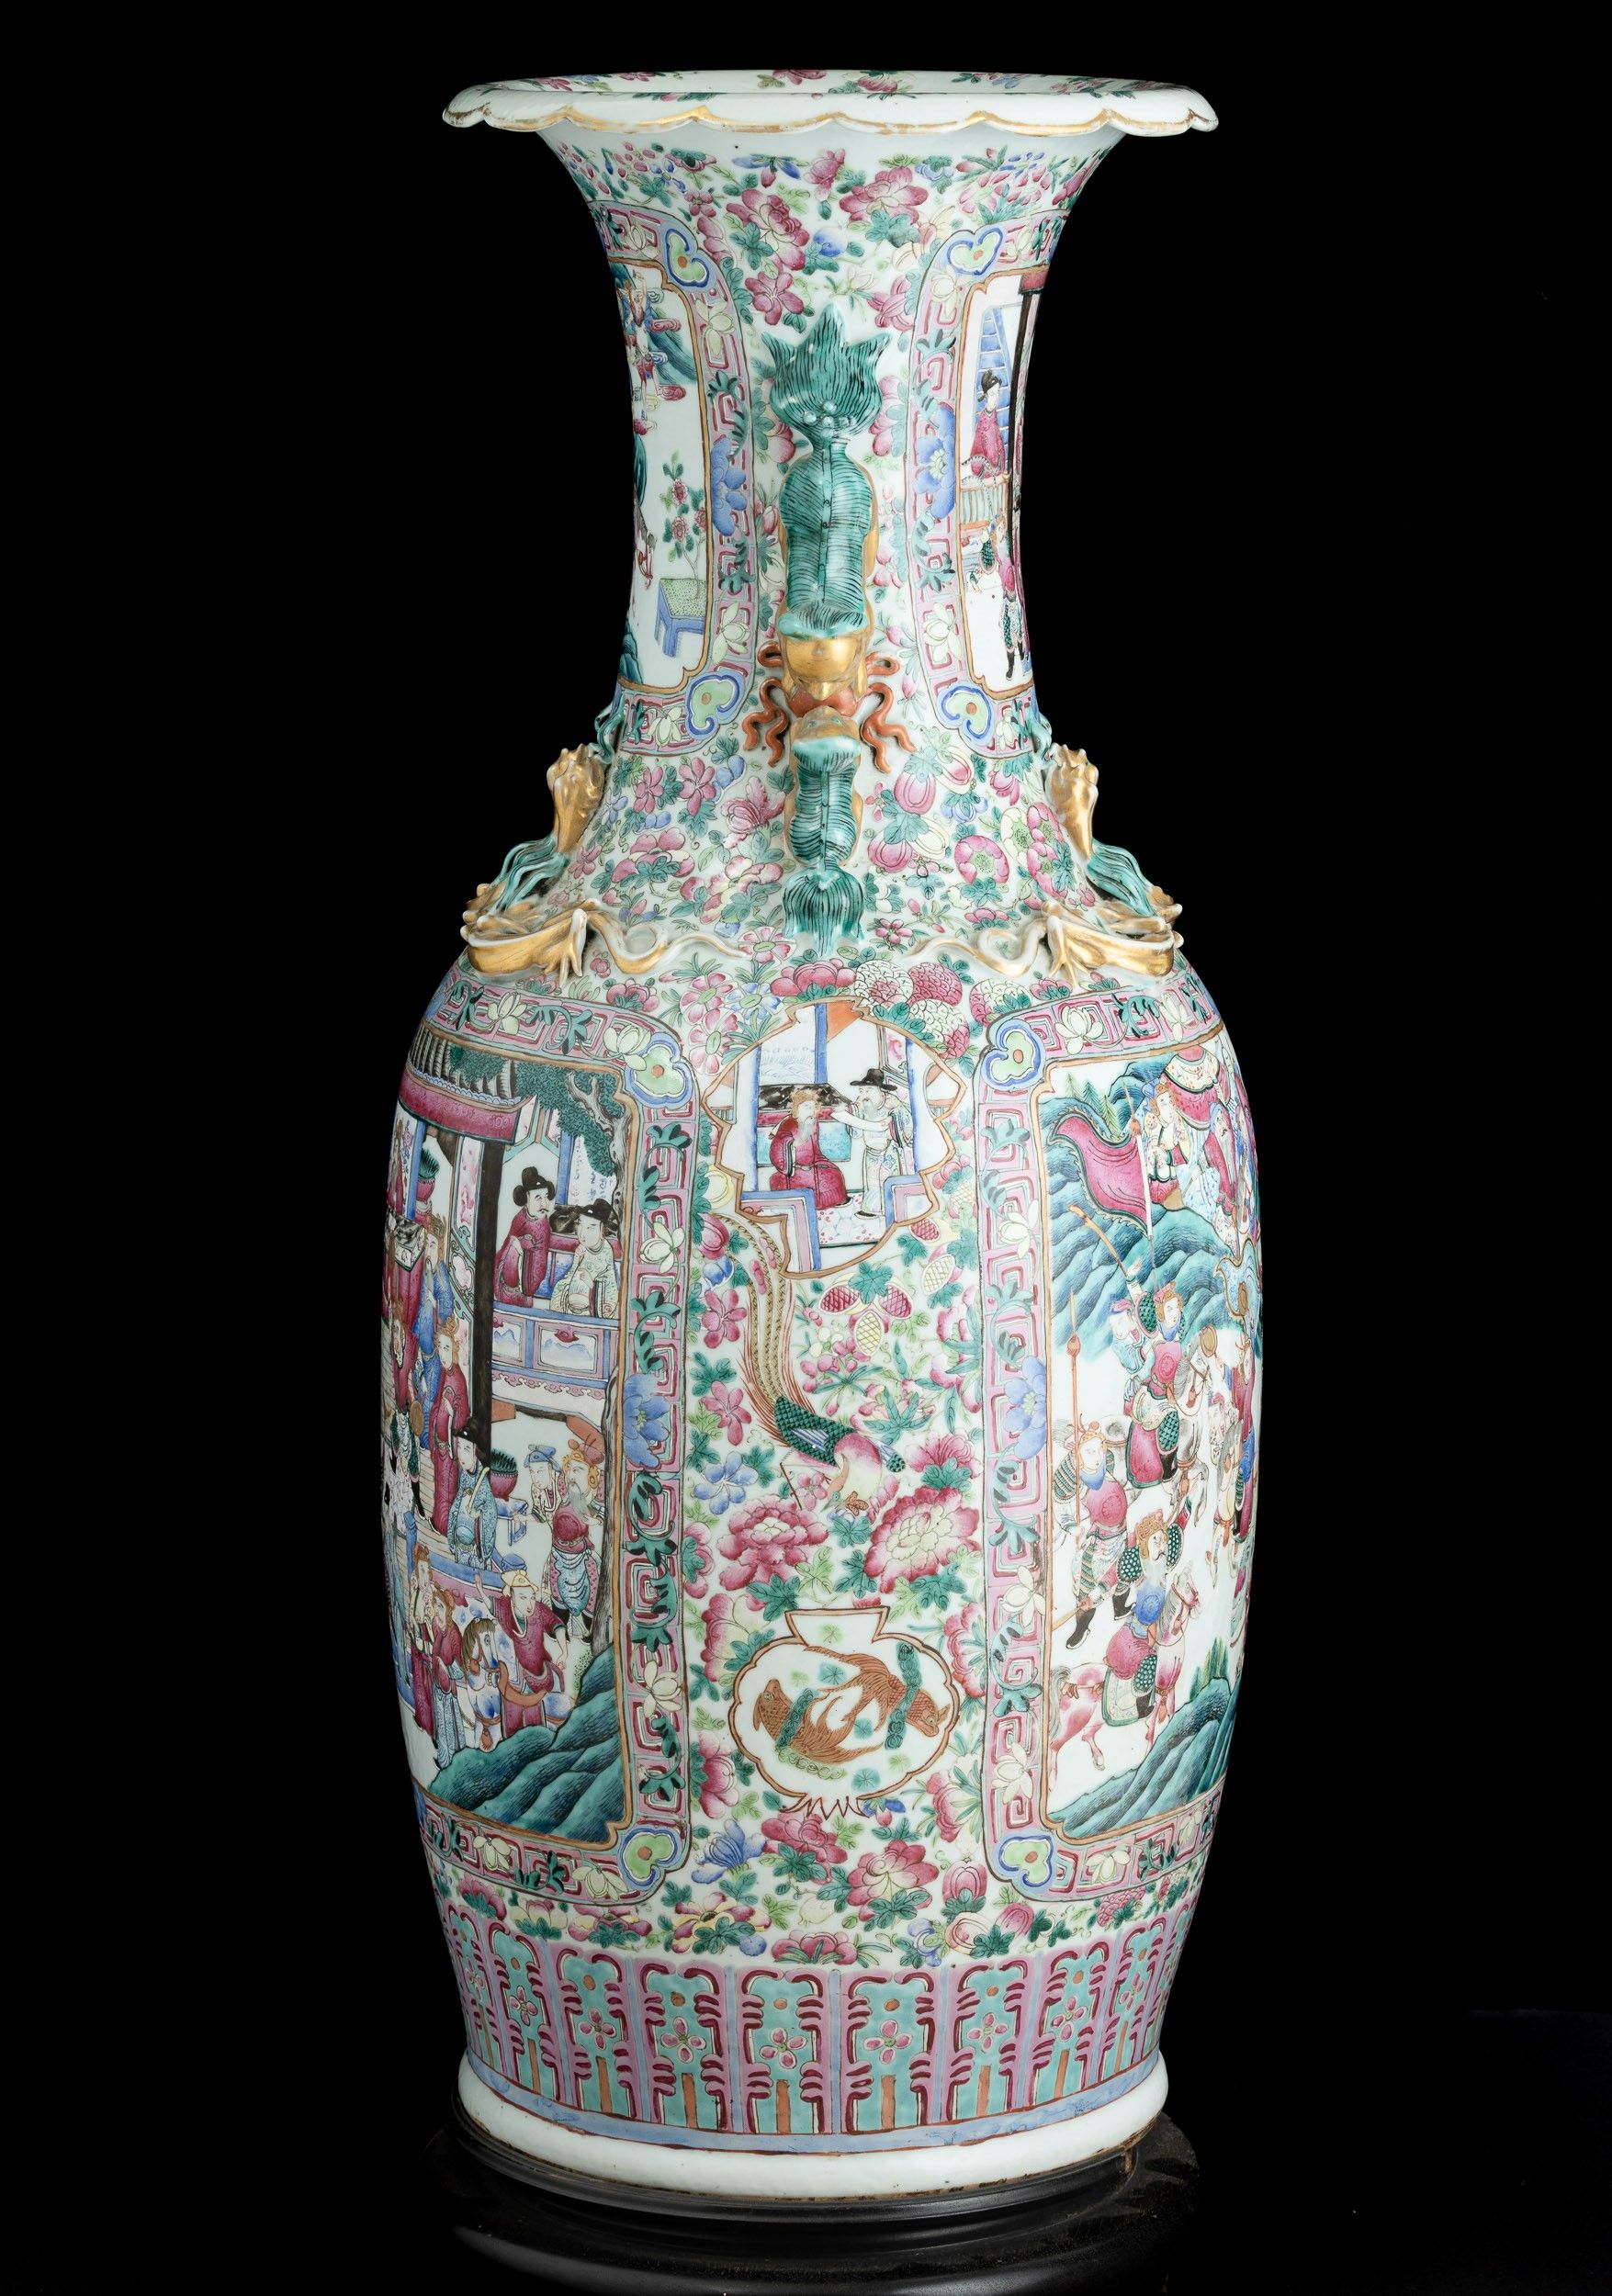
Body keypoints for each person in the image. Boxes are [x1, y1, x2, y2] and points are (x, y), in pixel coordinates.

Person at [478, 1568, 565, 1738]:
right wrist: (480, 1590)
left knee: (535, 1721)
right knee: (512, 1717)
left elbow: (557, 1625)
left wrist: (564, 1651)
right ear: (512, 1596)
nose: (529, 1604)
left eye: (532, 1597)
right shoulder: (505, 1608)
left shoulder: (539, 1611)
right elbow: (491, 1606)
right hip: (514, 1673)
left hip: (537, 1673)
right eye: (523, 1598)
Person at [445, 1424, 525, 1576]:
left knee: (477, 1579)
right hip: (460, 1544)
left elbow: (490, 1511)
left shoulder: (483, 1480)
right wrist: (452, 1534)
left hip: (475, 1548)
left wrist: (478, 1515)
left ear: (476, 1451)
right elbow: (457, 1504)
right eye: (459, 1447)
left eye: (467, 1449)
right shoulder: (464, 1475)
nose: (461, 1454)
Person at [844, 1069, 913, 1219]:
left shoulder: (892, 1102)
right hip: (871, 1149)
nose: (864, 1094)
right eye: (861, 1090)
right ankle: (872, 1209)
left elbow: (907, 1122)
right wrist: (853, 1112)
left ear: (880, 1090)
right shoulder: (861, 1104)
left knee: (887, 1178)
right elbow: (856, 1133)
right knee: (872, 1181)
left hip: (890, 1149)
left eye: (868, 1090)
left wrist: (895, 1114)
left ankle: (894, 1208)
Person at [768, 1089, 848, 1211]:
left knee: (834, 1172)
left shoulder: (813, 1122)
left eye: (813, 1107)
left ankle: (835, 1200)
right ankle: (811, 1205)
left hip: (813, 1161)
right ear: (797, 1108)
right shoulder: (788, 1123)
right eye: (807, 1107)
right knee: (810, 1179)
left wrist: (819, 1161)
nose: (811, 1111)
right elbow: (781, 1146)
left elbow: (815, 1148)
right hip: (792, 1166)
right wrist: (797, 1160)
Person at [427, 1319, 471, 1535]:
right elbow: (438, 1404)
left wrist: (452, 1416)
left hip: (450, 1448)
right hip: (442, 1447)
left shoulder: (458, 1380)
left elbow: (462, 1416)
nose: (443, 1354)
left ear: (454, 1349)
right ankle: (438, 1522)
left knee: (448, 1489)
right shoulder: (446, 1373)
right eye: (440, 1348)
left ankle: (445, 1527)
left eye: (447, 1348)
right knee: (440, 1489)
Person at [494, 1168, 556, 1307]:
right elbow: (506, 1247)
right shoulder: (519, 1218)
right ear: (526, 1199)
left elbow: (540, 1259)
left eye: (546, 1197)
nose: (544, 1203)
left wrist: (523, 1245)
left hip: (527, 1284)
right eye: (538, 1198)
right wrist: (517, 1243)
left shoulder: (543, 1224)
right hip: (508, 1284)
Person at [549, 1201, 621, 1318]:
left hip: (593, 1310)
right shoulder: (582, 1248)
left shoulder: (606, 1251)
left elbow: (609, 1288)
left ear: (602, 1230)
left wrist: (592, 1285)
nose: (582, 1233)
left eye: (590, 1228)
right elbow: (571, 1274)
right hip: (571, 1308)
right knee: (559, 1286)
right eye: (580, 1225)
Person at [428, 1586, 465, 1769]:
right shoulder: (436, 1625)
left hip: (449, 1691)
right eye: (435, 1604)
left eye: (440, 1606)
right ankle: (444, 1762)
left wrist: (446, 1668)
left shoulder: (454, 1634)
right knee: (441, 1727)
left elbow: (461, 1669)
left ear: (448, 1610)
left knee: (451, 1728)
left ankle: (456, 1763)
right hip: (437, 1686)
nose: (436, 1609)